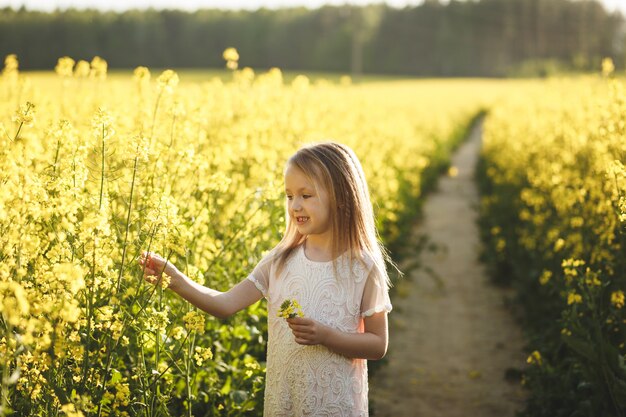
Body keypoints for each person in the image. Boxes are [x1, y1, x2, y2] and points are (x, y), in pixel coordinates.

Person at [139, 142, 395, 416]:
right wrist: (176, 280)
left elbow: (378, 344)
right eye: (289, 196)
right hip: (285, 401)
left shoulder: (361, 267)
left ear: (342, 197)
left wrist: (326, 336)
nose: (295, 205)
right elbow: (225, 304)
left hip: (336, 405)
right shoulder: (280, 260)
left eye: (306, 195)